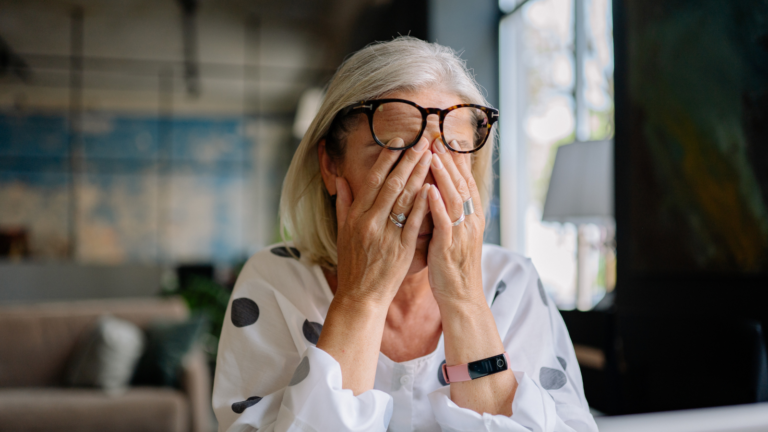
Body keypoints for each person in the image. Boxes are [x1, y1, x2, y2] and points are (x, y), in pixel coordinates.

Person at [212, 36, 598, 432]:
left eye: (453, 152)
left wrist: (464, 299)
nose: (426, 190)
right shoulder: (276, 284)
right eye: (397, 154)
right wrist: (362, 297)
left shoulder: (512, 285)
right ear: (331, 166)